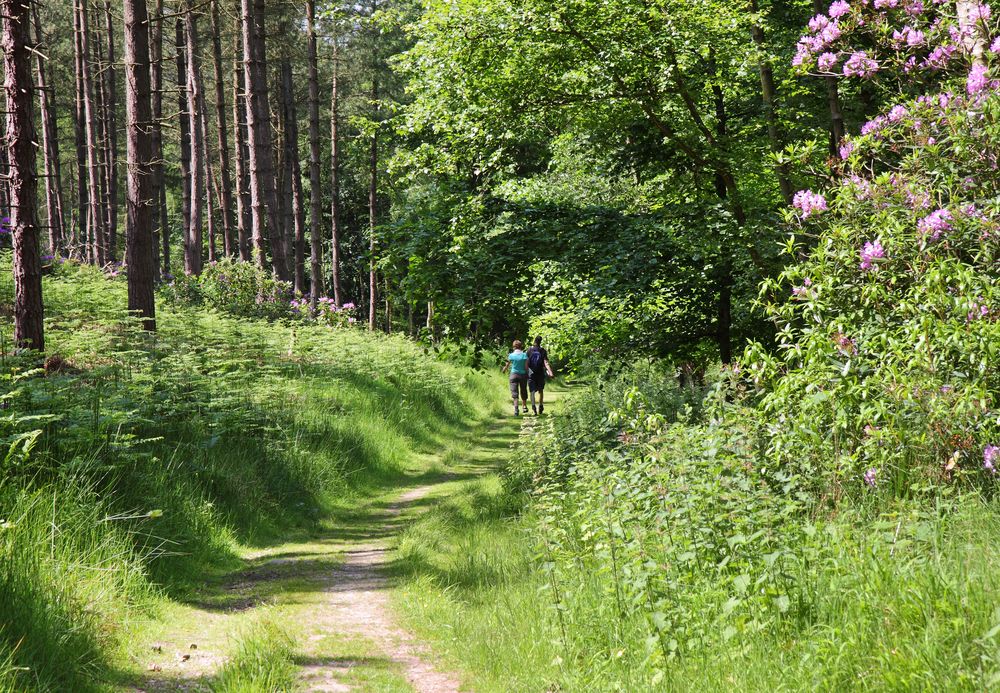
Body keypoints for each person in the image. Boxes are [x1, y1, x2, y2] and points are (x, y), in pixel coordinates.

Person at [502, 339, 530, 416]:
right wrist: (529, 374)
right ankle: (524, 407)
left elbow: (506, 365)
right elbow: (526, 367)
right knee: (523, 390)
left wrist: (504, 370)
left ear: (513, 347)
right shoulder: (524, 355)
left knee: (515, 392)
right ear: (521, 347)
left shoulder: (511, 355)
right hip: (523, 375)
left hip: (513, 375)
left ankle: (516, 409)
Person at [527, 336, 554, 415]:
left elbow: (526, 362)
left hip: (531, 373)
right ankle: (541, 406)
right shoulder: (542, 351)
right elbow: (546, 363)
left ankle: (533, 407)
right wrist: (550, 372)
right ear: (540, 342)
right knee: (540, 390)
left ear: (534, 341)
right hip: (540, 373)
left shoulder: (529, 350)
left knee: (532, 391)